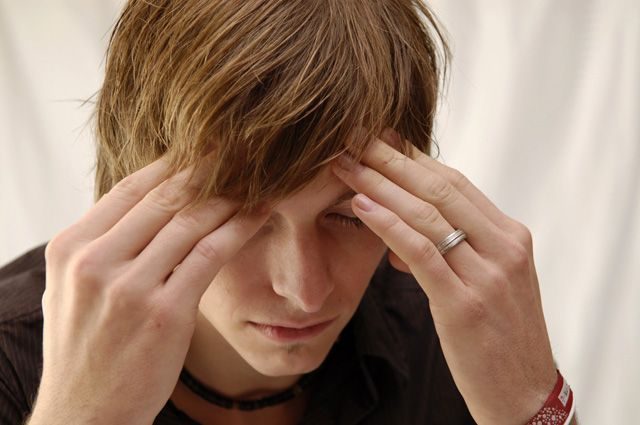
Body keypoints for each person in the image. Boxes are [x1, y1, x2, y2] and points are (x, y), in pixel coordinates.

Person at [0, 1, 578, 424]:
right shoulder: (11, 355)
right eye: (240, 221)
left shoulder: (452, 331)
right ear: (135, 187)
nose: (304, 291)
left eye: (349, 217)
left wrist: (532, 406)